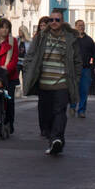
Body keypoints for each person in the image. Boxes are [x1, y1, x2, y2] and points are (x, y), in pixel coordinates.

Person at [21, 8, 81, 155]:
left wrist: (76, 79)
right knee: (46, 115)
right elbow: (30, 57)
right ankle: (55, 139)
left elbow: (77, 61)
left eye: (57, 20)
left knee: (59, 111)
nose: (54, 23)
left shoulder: (70, 39)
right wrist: (27, 72)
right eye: (51, 20)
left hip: (62, 83)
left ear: (62, 21)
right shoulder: (41, 37)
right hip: (44, 84)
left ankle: (56, 139)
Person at [73, 19, 95, 118]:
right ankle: (72, 107)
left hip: (86, 69)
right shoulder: (72, 39)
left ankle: (81, 110)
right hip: (73, 69)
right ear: (75, 26)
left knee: (84, 91)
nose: (82, 27)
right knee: (73, 89)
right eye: (80, 25)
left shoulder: (89, 40)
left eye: (83, 25)